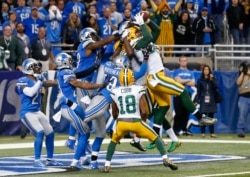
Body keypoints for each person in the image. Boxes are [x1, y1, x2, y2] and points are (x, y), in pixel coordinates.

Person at [101, 68, 178, 173]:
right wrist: (142, 122)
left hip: (122, 123)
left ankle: (107, 165)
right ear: (132, 77)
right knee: (156, 138)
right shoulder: (138, 89)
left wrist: (117, 124)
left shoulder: (115, 91)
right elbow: (144, 110)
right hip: (135, 121)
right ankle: (165, 158)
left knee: (113, 141)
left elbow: (114, 113)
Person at [55, 52, 106, 169]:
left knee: (84, 123)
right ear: (65, 62)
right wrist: (99, 85)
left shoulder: (62, 73)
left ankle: (80, 155)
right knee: (84, 132)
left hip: (69, 107)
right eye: (69, 60)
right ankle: (75, 161)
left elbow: (79, 74)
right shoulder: (67, 73)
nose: (71, 61)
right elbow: (82, 85)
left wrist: (93, 67)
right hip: (69, 107)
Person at [16, 58, 63, 168]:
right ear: (29, 69)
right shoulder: (22, 80)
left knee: (50, 133)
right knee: (40, 132)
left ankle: (50, 159)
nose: (38, 69)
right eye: (35, 67)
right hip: (27, 112)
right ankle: (37, 160)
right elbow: (30, 92)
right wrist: (39, 82)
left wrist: (64, 80)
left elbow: (50, 82)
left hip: (37, 112)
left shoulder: (37, 80)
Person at [172, 56, 196, 136]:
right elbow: (177, 81)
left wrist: (182, 81)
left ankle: (184, 129)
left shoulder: (190, 72)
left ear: (187, 62)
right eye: (182, 61)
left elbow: (193, 83)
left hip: (187, 94)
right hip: (178, 94)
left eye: (185, 60)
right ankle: (175, 130)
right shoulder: (176, 71)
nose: (183, 62)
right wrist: (188, 80)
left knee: (186, 113)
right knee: (178, 113)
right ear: (179, 62)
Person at [194, 64, 218, 138]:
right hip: (203, 99)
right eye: (205, 69)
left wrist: (212, 79)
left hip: (211, 99)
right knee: (203, 117)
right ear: (203, 71)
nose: (206, 71)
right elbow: (198, 91)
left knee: (211, 116)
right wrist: (197, 100)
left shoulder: (213, 79)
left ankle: (212, 133)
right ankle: (203, 133)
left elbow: (216, 87)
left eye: (208, 69)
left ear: (209, 71)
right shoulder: (200, 80)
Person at [236, 61, 250, 138]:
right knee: (242, 116)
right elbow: (238, 83)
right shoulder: (242, 75)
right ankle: (240, 131)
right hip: (243, 97)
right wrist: (242, 73)